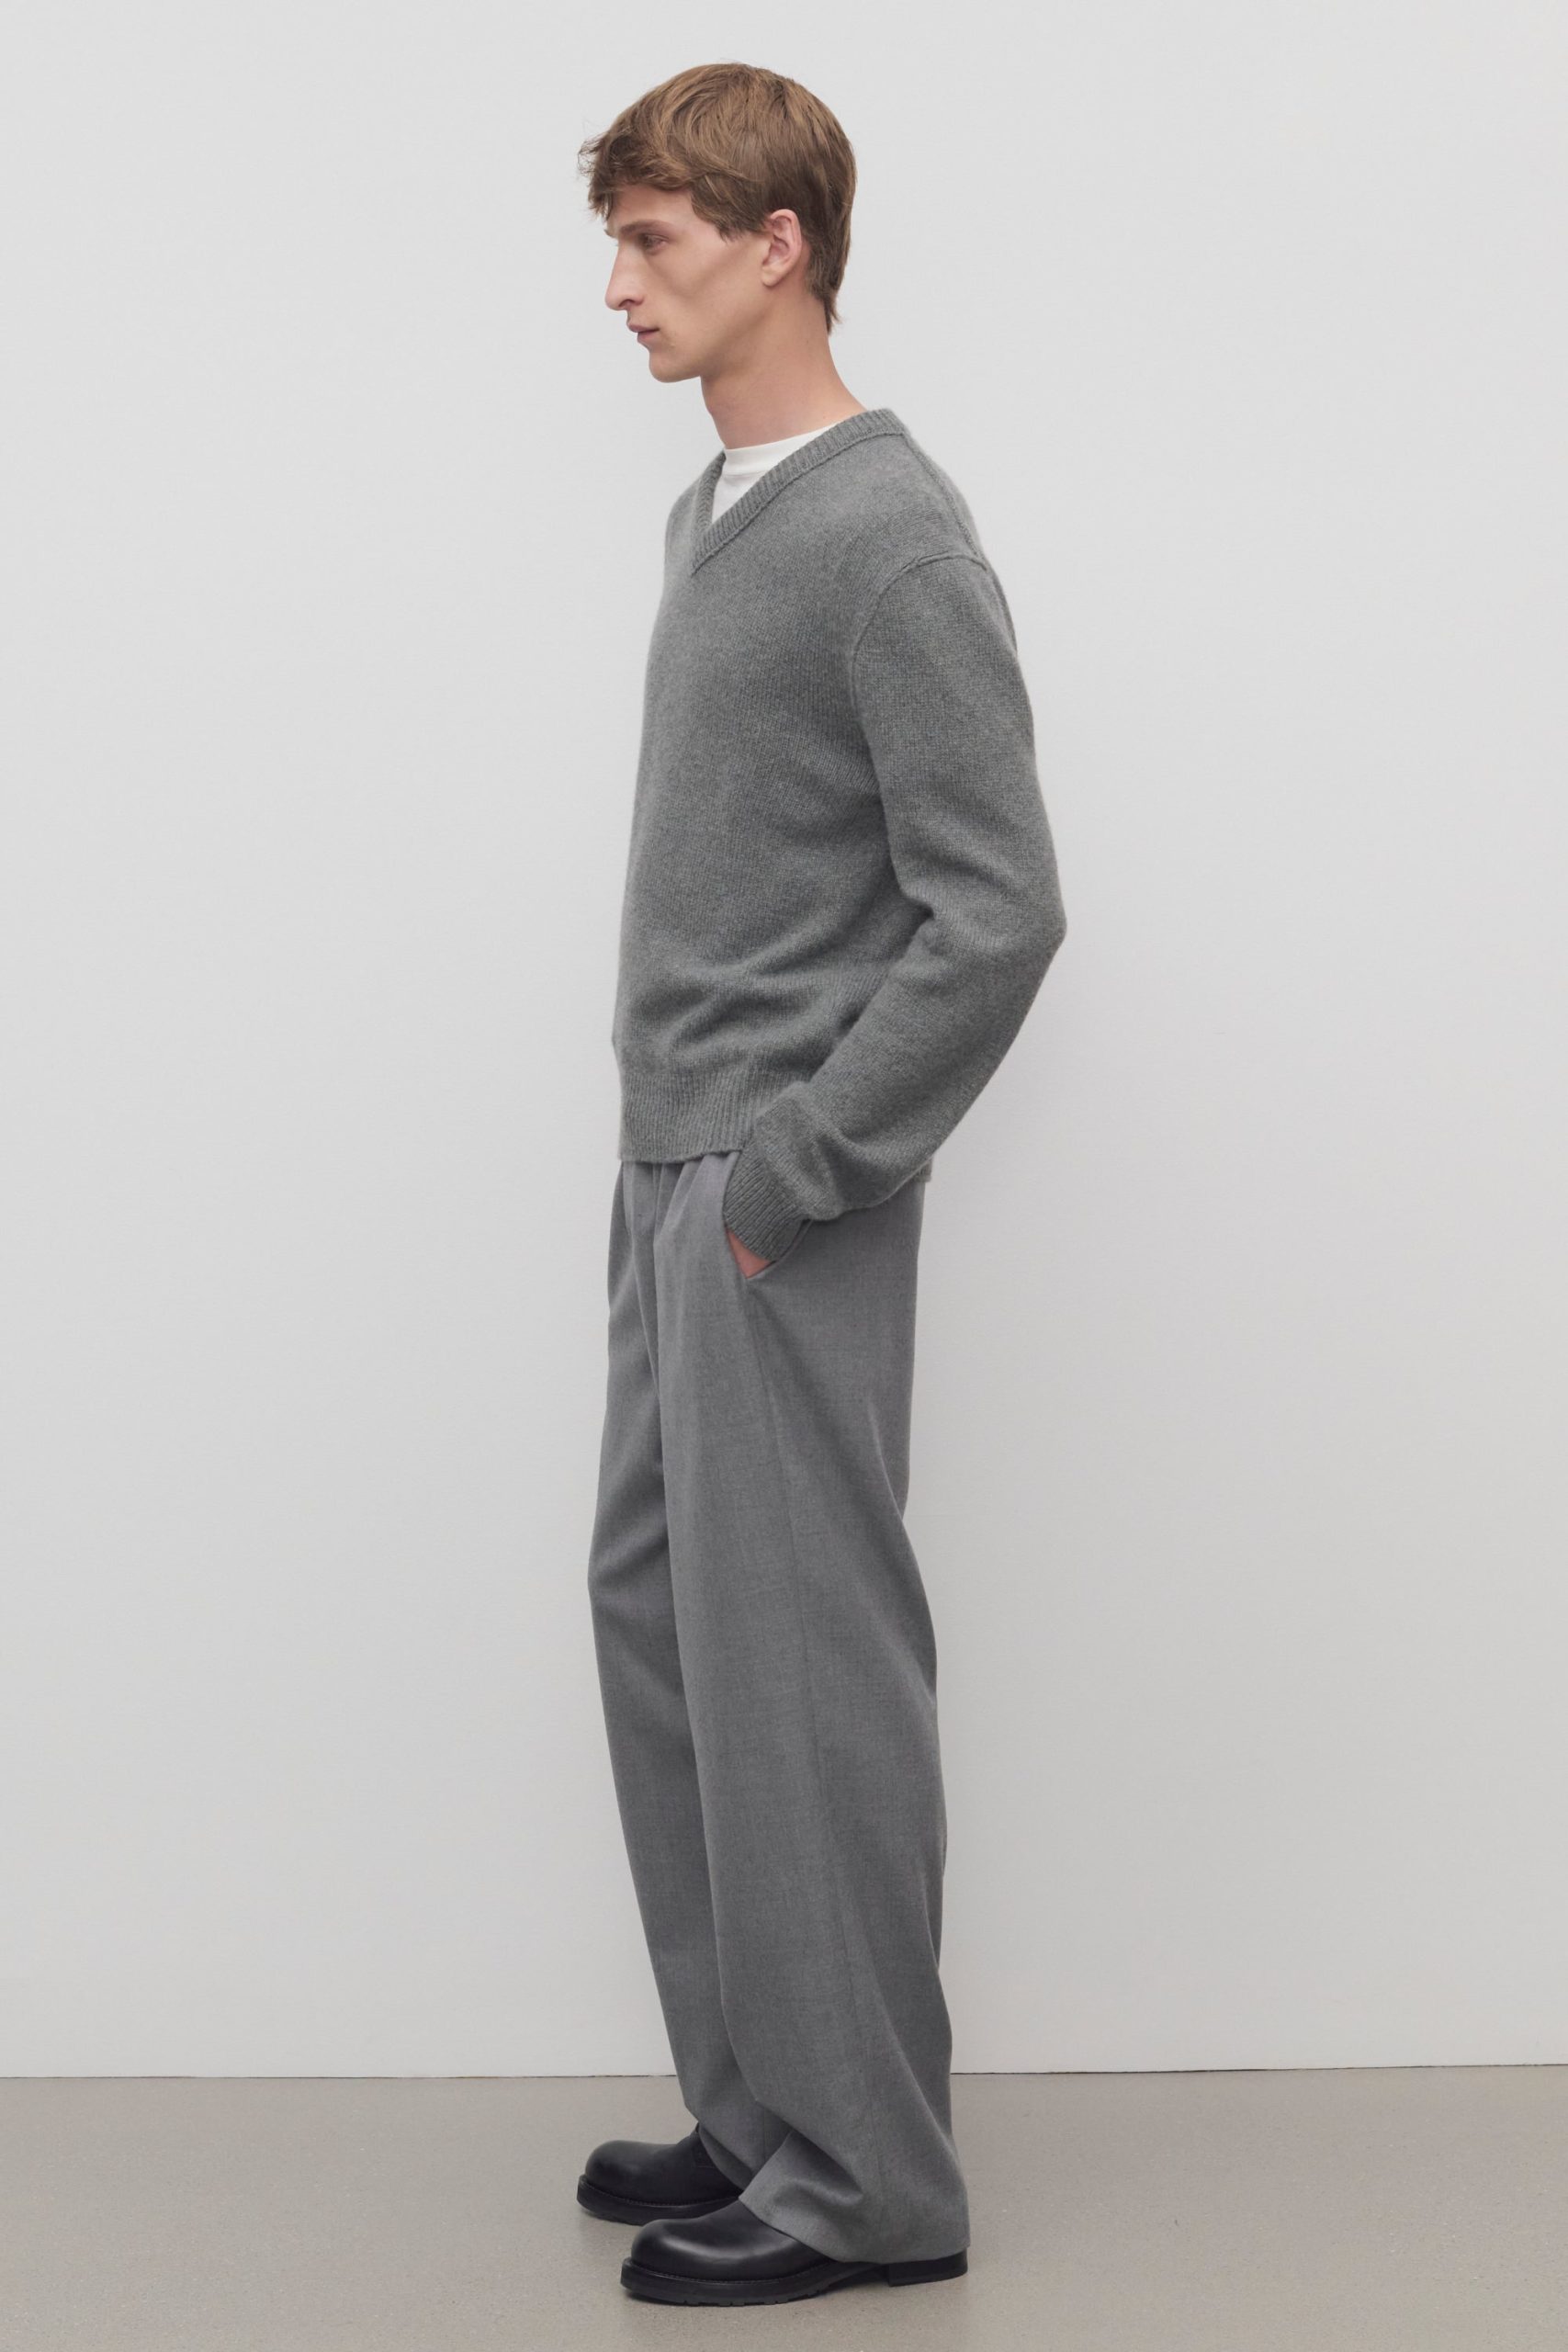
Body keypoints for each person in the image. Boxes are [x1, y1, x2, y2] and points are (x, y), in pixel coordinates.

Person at [573, 61, 1066, 2310]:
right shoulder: (717, 512)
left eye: (652, 241)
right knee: (665, 1631)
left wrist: (800, 1161)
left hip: (775, 1190)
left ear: (776, 246)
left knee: (804, 1678)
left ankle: (869, 2176)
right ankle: (765, 2103)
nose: (617, 288)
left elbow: (998, 904)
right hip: (668, 1163)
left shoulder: (887, 534)